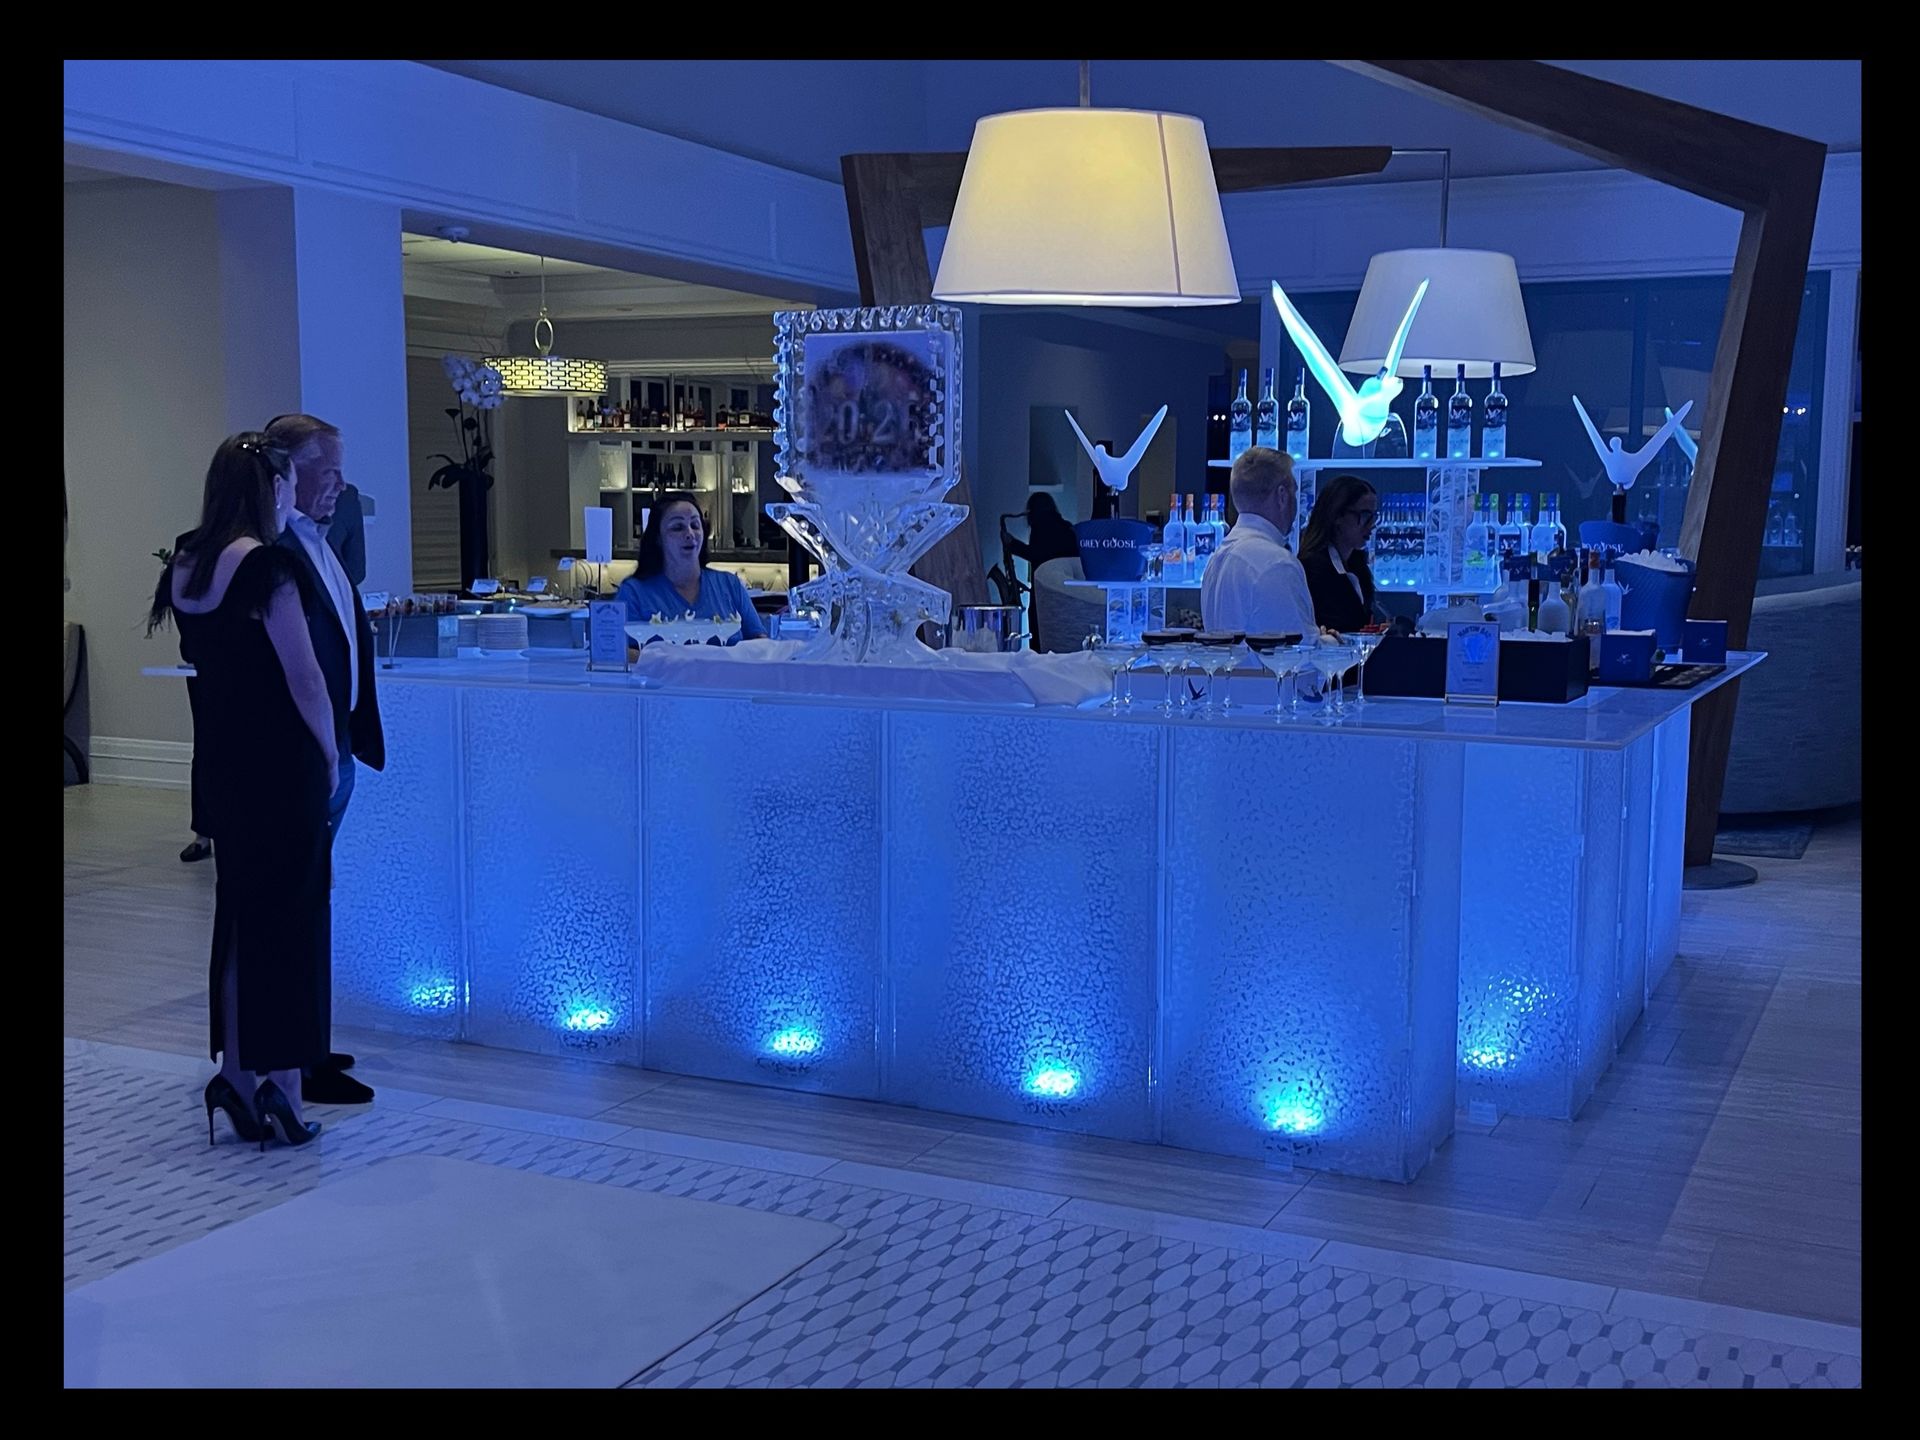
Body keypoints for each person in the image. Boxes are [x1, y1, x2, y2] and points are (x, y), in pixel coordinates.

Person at [149, 434, 335, 1149]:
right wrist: (328, 753)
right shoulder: (267, 568)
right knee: (288, 922)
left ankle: (234, 1072)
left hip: (223, 762)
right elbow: (305, 678)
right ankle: (283, 1084)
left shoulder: (186, 564)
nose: (289, 499)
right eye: (285, 486)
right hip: (280, 765)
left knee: (238, 917)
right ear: (269, 489)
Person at [267, 413, 387, 1107]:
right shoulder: (272, 550)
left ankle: (310, 1041)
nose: (342, 483)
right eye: (329, 470)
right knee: (298, 907)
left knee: (315, 902)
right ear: (288, 472)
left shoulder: (322, 538)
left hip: (336, 746)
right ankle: (298, 1055)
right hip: (306, 755)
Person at [614, 492, 768, 641]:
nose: (690, 534)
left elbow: (760, 642)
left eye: (695, 525)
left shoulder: (730, 585)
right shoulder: (634, 592)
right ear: (657, 538)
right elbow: (619, 651)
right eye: (678, 527)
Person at [1201, 447, 1319, 639]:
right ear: (1282, 496)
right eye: (1295, 493)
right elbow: (1300, 649)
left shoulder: (1218, 558)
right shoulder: (1276, 562)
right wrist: (1330, 641)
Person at [1299, 474, 1382, 634]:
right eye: (1365, 515)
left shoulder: (1357, 565)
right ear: (1337, 516)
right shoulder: (1312, 569)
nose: (1372, 524)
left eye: (1374, 516)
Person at [1003, 492, 1081, 652]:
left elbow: (1036, 555)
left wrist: (1012, 544)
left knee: (1039, 633)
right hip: (1066, 592)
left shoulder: (1040, 527)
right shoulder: (1068, 527)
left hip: (1043, 589)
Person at [328, 482, 367, 587]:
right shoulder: (346, 496)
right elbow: (356, 571)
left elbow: (356, 570)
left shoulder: (346, 497)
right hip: (333, 589)